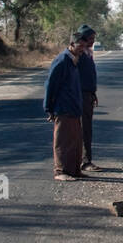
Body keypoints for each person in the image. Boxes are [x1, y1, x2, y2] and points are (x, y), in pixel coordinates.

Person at [44, 33, 87, 181]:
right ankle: (60, 171)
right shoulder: (62, 60)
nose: (83, 49)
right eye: (80, 46)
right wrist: (48, 107)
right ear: (72, 44)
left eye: (85, 46)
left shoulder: (74, 60)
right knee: (62, 141)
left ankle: (74, 170)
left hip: (74, 108)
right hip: (63, 108)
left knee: (75, 141)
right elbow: (51, 85)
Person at [75, 24, 100, 171]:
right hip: (80, 95)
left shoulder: (88, 53)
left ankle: (86, 159)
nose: (92, 41)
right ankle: (85, 161)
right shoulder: (78, 54)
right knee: (84, 129)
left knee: (88, 129)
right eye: (90, 38)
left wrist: (93, 93)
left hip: (88, 94)